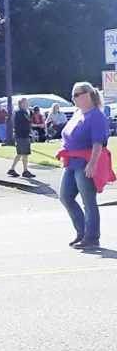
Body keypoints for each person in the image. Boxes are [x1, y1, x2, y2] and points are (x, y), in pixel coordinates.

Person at [56, 82, 115, 250]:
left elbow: (99, 143)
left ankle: (91, 237)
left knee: (88, 201)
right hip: (71, 162)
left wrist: (93, 163)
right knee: (65, 197)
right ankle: (82, 231)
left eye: (76, 95)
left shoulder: (96, 116)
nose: (73, 98)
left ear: (88, 95)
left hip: (85, 162)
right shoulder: (78, 113)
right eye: (73, 95)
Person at [7, 98, 35, 179]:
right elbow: (29, 120)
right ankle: (25, 171)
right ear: (22, 104)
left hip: (20, 135)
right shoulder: (21, 113)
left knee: (19, 153)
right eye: (26, 103)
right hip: (22, 135)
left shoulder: (19, 113)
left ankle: (12, 169)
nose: (27, 104)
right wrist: (32, 113)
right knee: (25, 153)